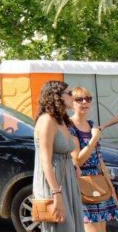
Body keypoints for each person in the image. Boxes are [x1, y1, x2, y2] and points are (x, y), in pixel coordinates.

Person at [34, 80, 84, 231]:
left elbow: (64, 150)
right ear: (57, 96)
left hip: (67, 179)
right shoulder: (47, 120)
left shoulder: (61, 120)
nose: (73, 97)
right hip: (54, 183)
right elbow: (45, 161)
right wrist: (57, 193)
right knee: (62, 227)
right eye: (70, 94)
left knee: (73, 227)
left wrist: (73, 165)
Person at [69, 86, 117, 230]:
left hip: (99, 182)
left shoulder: (91, 125)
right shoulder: (69, 126)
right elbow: (77, 160)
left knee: (102, 228)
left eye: (88, 99)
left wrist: (111, 189)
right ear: (71, 103)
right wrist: (93, 139)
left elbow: (99, 158)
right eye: (79, 99)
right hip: (83, 184)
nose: (85, 102)